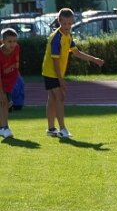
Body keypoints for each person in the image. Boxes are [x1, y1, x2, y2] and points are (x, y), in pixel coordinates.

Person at [43, 8, 105, 138]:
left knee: (53, 98)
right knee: (60, 98)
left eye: (70, 24)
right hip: (52, 72)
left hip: (52, 72)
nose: (67, 26)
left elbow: (76, 52)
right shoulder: (56, 37)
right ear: (59, 21)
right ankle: (62, 129)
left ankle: (51, 129)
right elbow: (55, 61)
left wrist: (94, 60)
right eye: (64, 23)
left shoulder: (68, 36)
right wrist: (61, 79)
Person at [0, 28, 20, 138]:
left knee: (5, 104)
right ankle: (5, 128)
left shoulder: (17, 48)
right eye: (9, 41)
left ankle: (1, 127)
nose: (12, 44)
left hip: (9, 81)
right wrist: (1, 93)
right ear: (2, 41)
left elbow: (16, 63)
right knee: (3, 102)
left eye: (14, 41)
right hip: (1, 81)